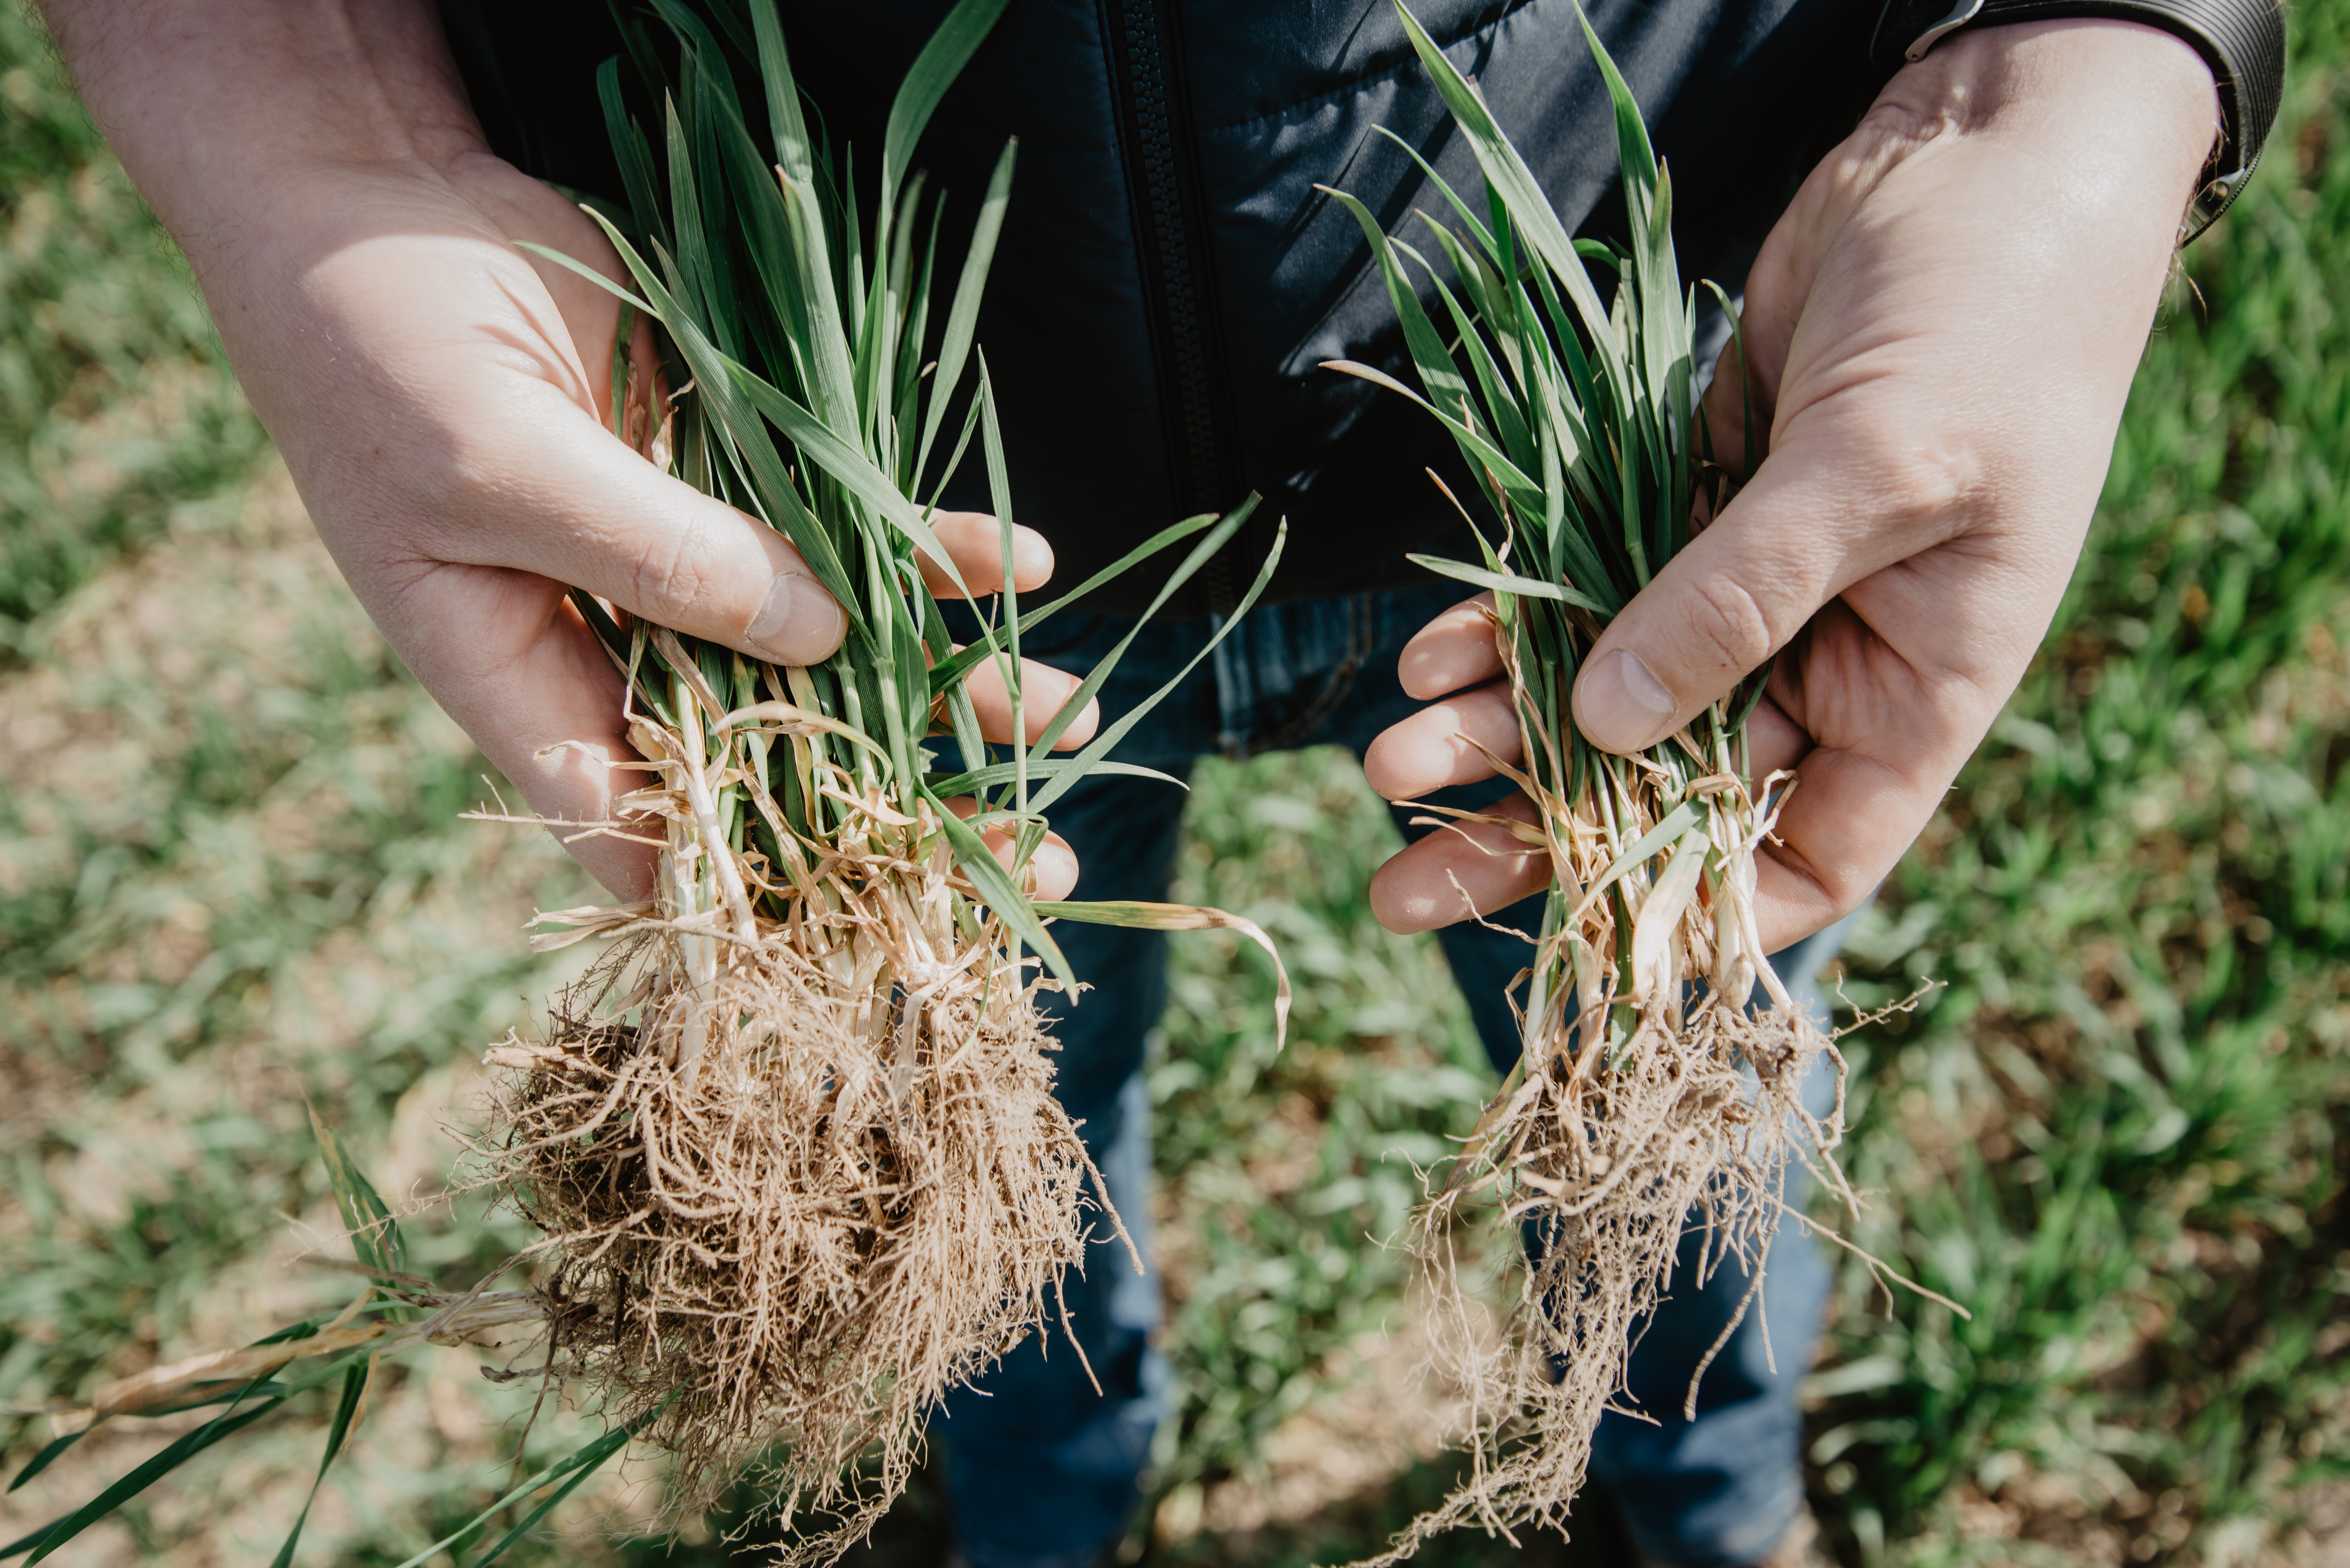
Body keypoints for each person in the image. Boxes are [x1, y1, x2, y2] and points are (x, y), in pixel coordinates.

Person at [38, 1, 2277, 1564]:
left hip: (1612, 392)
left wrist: (2073, 68)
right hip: (872, 486)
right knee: (945, 1116)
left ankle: (1706, 1498)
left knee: (1679, 1048)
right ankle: (1035, 1510)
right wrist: (297, 103)